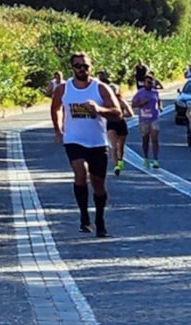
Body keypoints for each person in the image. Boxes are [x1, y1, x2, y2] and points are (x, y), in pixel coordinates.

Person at [50, 52, 122, 238]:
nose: (82, 69)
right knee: (80, 172)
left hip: (97, 142)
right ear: (72, 68)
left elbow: (117, 113)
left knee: (99, 185)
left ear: (91, 67)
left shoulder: (101, 88)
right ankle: (84, 217)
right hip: (74, 140)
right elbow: (55, 108)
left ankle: (100, 220)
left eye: (86, 66)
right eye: (78, 66)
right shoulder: (64, 89)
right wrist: (58, 130)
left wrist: (98, 109)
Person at [131, 74, 162, 169]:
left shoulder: (155, 92)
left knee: (155, 139)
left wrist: (160, 106)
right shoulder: (140, 93)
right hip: (144, 120)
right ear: (144, 83)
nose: (150, 84)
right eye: (148, 82)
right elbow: (133, 105)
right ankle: (146, 158)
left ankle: (156, 159)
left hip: (154, 118)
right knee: (145, 140)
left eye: (151, 82)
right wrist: (141, 103)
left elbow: (159, 100)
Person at [106, 83, 134, 176]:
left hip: (121, 123)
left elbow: (131, 113)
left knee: (120, 146)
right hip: (111, 124)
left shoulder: (121, 101)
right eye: (111, 89)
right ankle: (116, 166)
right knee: (114, 146)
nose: (113, 91)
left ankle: (120, 160)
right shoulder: (106, 101)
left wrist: (121, 115)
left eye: (114, 90)